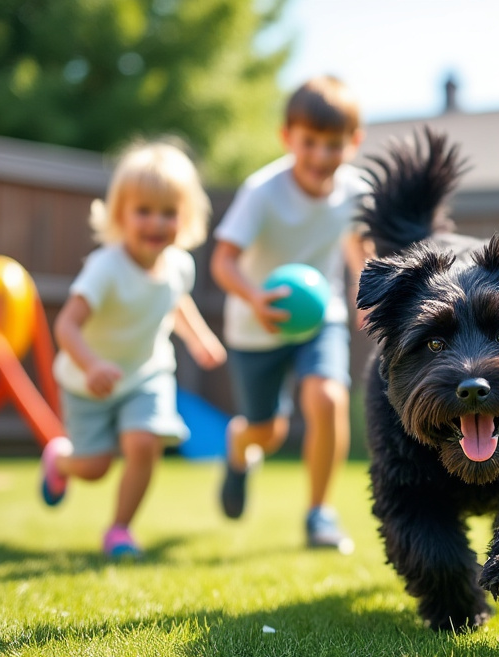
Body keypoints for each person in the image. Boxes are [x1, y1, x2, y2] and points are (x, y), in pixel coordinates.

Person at [41, 140, 227, 558]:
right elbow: (66, 324)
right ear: (119, 214)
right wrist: (90, 365)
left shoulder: (179, 264)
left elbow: (175, 300)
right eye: (144, 211)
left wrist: (198, 339)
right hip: (86, 381)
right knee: (94, 467)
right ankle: (60, 461)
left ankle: (120, 530)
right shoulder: (105, 268)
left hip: (146, 373)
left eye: (168, 213)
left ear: (186, 218)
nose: (156, 223)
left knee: (145, 442)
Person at [209, 75, 371, 551]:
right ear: (287, 138)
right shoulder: (262, 191)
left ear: (354, 143)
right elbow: (223, 261)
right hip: (256, 325)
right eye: (310, 143)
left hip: (320, 318)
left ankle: (319, 513)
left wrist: (369, 291)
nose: (322, 156)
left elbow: (359, 248)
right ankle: (239, 452)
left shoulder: (356, 191)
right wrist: (256, 299)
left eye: (334, 145)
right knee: (267, 432)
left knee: (329, 399)